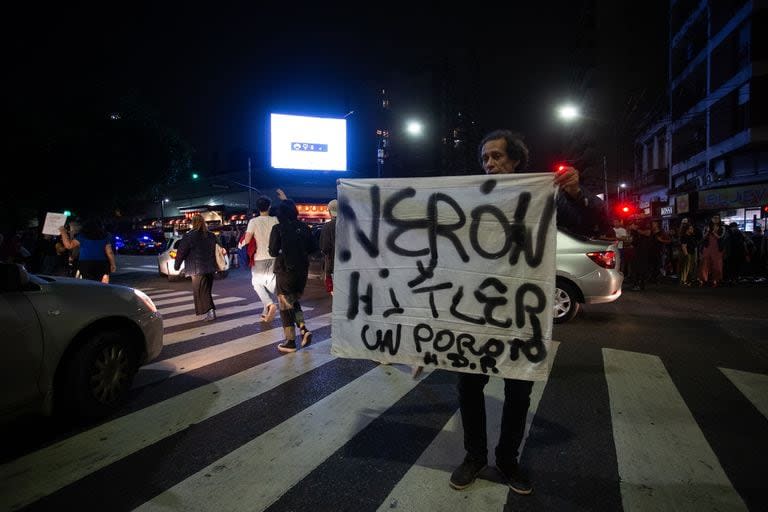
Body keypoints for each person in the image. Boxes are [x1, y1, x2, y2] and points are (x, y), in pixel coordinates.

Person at [449, 130, 607, 496]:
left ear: (517, 160)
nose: (490, 164)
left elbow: (591, 224)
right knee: (469, 388)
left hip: (521, 315)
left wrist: (575, 193)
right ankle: (474, 456)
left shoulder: (544, 197)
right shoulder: (470, 198)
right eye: (485, 158)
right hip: (474, 313)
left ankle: (507, 460)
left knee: (518, 393)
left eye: (498, 157)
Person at [269, 199, 318, 353]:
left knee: (285, 306)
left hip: (285, 271)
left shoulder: (278, 228)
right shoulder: (304, 227)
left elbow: (272, 251)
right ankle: (303, 329)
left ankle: (290, 341)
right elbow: (313, 249)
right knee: (293, 301)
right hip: (302, 272)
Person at [238, 195, 280, 322]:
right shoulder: (275, 219)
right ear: (269, 207)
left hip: (259, 257)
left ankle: (269, 304)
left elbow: (248, 239)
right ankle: (266, 311)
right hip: (274, 256)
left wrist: (240, 245)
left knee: (257, 283)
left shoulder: (254, 222)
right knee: (271, 284)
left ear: (258, 208)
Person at [174, 214, 220, 321]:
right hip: (210, 267)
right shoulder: (211, 235)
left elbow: (181, 252)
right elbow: (219, 248)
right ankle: (211, 311)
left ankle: (210, 312)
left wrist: (177, 265)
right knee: (206, 291)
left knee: (201, 291)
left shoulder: (189, 236)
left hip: (196, 269)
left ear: (193, 223)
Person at [59, 218, 116, 282]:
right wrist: (112, 264)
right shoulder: (105, 236)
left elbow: (69, 245)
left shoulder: (82, 236)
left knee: (87, 283)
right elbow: (110, 252)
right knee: (100, 283)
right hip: (101, 263)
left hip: (85, 264)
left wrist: (63, 232)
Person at [697, 214, 726, 287]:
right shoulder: (707, 227)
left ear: (719, 219)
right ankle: (703, 280)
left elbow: (721, 237)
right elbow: (703, 237)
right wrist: (708, 231)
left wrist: (713, 232)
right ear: (711, 219)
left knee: (717, 265)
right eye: (714, 218)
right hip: (707, 247)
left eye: (717, 218)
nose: (715, 219)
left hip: (717, 248)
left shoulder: (722, 227)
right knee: (704, 264)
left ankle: (716, 280)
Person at [319, 199, 337, 296]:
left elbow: (324, 247)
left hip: (332, 264)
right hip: (348, 265)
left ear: (330, 212)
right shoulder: (348, 225)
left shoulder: (327, 227)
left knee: (334, 291)